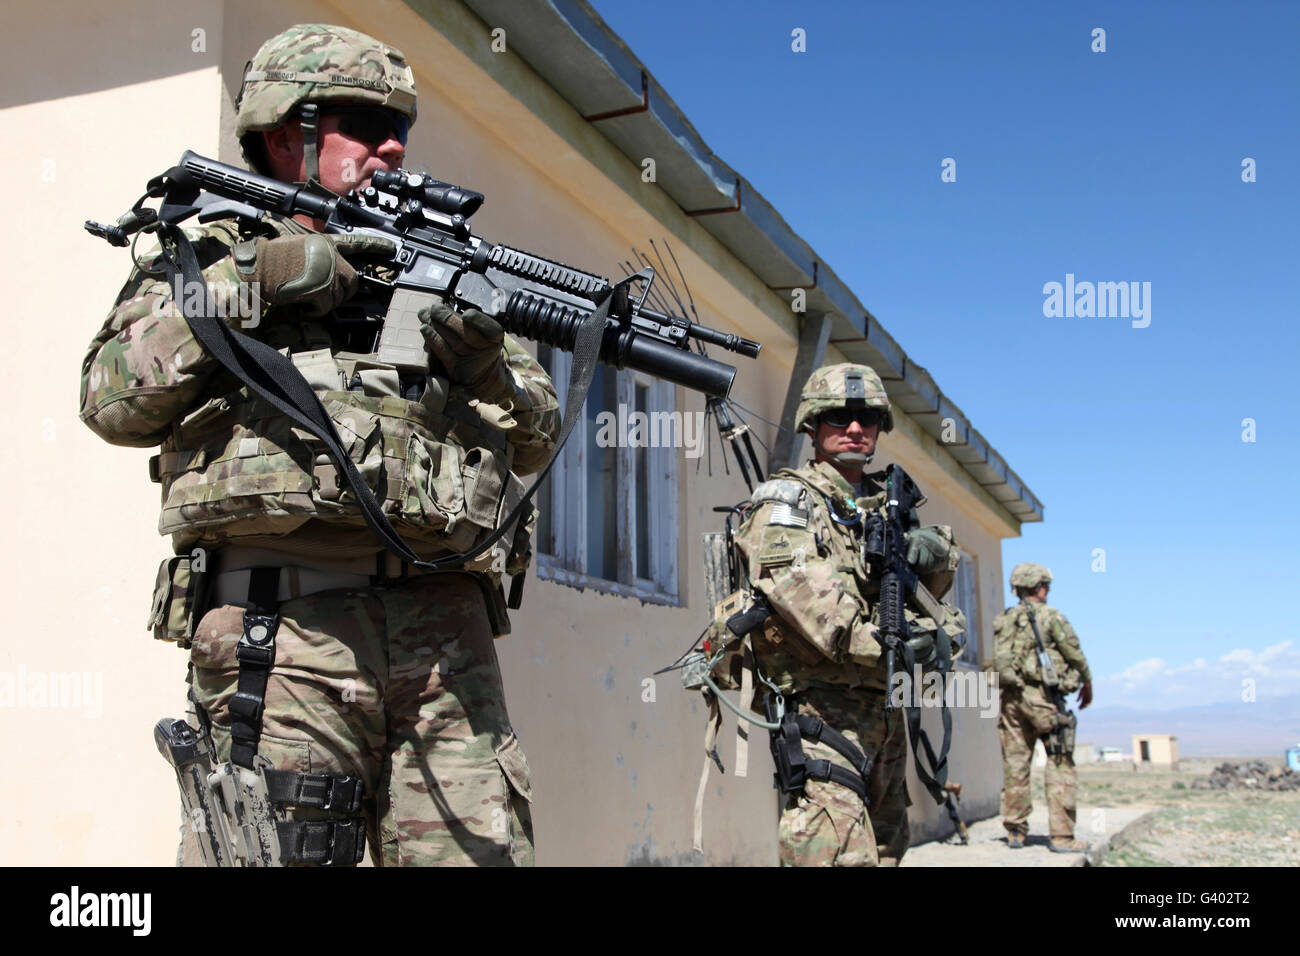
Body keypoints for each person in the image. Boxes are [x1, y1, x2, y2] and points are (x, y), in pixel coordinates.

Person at [80, 23, 559, 866]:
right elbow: (112, 398)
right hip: (283, 631)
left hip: (447, 640)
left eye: (401, 128)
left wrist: (487, 366)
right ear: (280, 131)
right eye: (361, 122)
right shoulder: (210, 252)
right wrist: (259, 282)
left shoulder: (437, 268)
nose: (392, 145)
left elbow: (536, 436)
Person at [711, 363, 961, 866]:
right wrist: (892, 645)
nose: (854, 428)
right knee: (835, 853)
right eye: (837, 417)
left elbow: (931, 598)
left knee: (888, 849)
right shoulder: (786, 503)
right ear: (811, 425)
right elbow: (806, 597)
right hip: (823, 713)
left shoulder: (890, 508)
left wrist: (935, 554)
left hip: (885, 710)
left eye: (867, 417)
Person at [993, 563, 1093, 853]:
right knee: (1060, 763)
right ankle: (1061, 836)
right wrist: (1087, 680)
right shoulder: (1051, 617)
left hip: (1011, 701)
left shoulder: (1005, 619)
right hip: (1043, 700)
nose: (1047, 590)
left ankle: (1015, 831)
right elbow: (1073, 652)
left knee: (1015, 766)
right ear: (1037, 586)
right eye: (1045, 585)